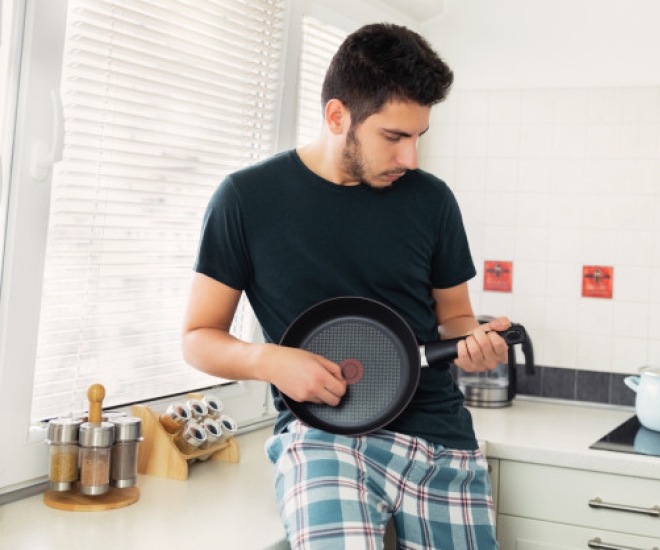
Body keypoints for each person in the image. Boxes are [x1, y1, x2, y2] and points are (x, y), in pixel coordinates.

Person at [182, 22, 509, 549]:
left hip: (440, 438)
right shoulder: (246, 200)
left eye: (418, 137)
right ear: (338, 116)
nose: (411, 159)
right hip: (324, 439)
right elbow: (198, 336)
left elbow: (455, 318)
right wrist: (272, 361)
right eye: (394, 136)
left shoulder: (433, 201)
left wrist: (474, 344)